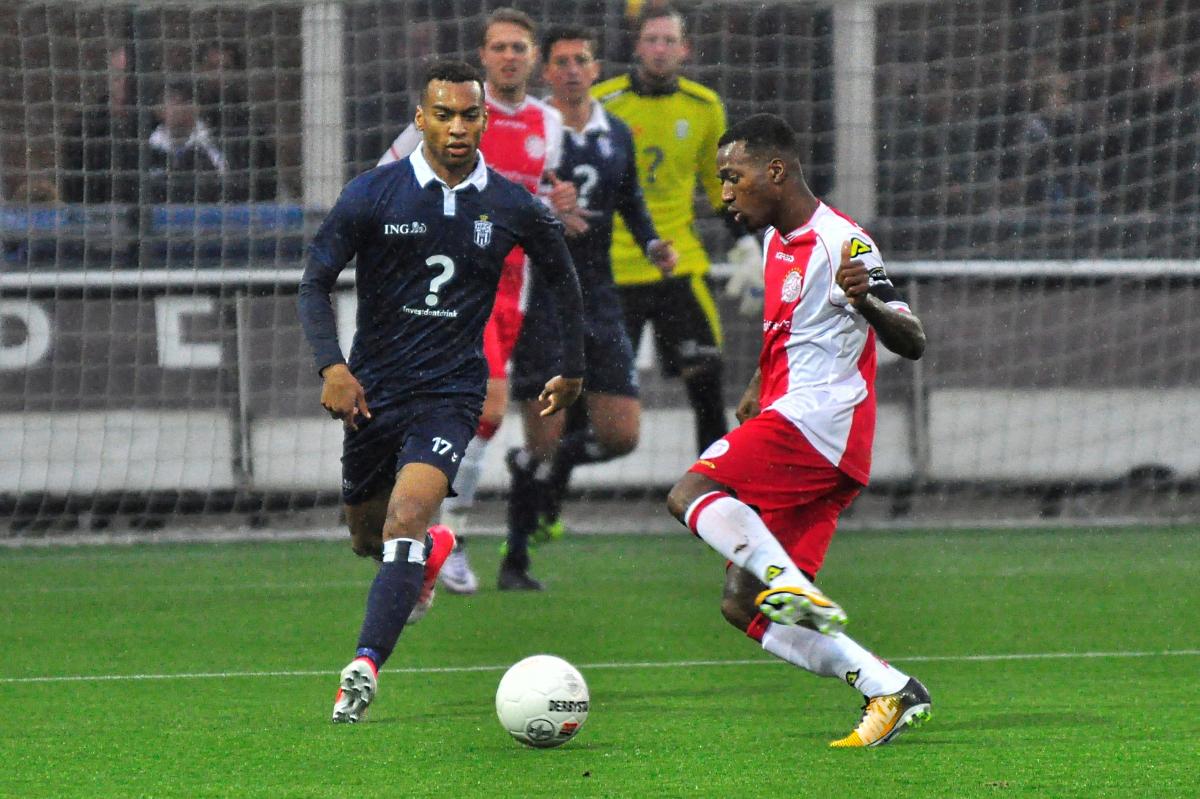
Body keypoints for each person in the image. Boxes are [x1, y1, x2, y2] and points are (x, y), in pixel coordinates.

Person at [298, 60, 585, 723]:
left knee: (406, 518)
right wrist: (331, 367)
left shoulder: (514, 204)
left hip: (451, 393)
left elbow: (564, 281)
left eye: (470, 115)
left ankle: (364, 667)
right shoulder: (374, 193)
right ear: (421, 118)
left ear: (486, 119)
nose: (458, 128)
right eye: (445, 114)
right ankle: (433, 553)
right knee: (370, 537)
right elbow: (314, 281)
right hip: (373, 392)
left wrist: (570, 367)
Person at [664, 114, 932, 748]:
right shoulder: (773, 239)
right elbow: (789, 328)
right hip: (804, 424)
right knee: (742, 603)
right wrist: (760, 385)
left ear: (775, 171)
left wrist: (867, 301)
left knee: (689, 493)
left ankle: (786, 579)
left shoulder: (845, 242)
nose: (724, 193)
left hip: (821, 424)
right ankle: (887, 687)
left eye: (733, 178)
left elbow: (913, 339)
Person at [378, 8, 579, 592]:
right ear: (484, 55)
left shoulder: (549, 123)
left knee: (481, 424)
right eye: (499, 47)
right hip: (461, 286)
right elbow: (384, 177)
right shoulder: (454, 113)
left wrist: (556, 206)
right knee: (487, 409)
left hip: (517, 285)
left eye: (519, 46)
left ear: (533, 56)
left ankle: (436, 530)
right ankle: (446, 536)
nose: (510, 56)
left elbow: (538, 203)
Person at [503, 25, 678, 586]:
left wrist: (652, 243)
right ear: (546, 71)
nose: (574, 69)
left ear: (597, 69)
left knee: (622, 433)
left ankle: (545, 467)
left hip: (599, 296)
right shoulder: (535, 131)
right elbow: (506, 195)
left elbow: (629, 199)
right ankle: (515, 558)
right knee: (544, 437)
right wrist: (551, 213)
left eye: (583, 59)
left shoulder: (615, 133)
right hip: (543, 297)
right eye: (562, 61)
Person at [592, 4, 732, 457]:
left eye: (669, 41)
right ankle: (544, 505)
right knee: (594, 402)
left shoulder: (705, 108)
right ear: (637, 47)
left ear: (685, 50)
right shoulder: (603, 103)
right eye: (651, 40)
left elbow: (719, 188)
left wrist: (751, 245)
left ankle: (714, 498)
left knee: (707, 384)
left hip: (679, 268)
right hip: (614, 273)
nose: (659, 49)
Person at [60, 44, 140, 204]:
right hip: (97, 217)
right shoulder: (83, 127)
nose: (124, 83)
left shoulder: (154, 124)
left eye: (129, 76)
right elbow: (74, 187)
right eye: (118, 76)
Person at [144, 80, 229, 204]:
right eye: (173, 100)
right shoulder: (147, 147)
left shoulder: (216, 143)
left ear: (198, 108)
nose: (180, 108)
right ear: (158, 109)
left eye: (186, 101)